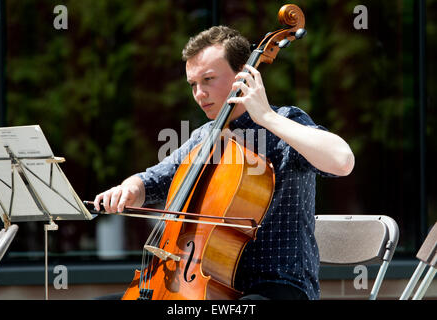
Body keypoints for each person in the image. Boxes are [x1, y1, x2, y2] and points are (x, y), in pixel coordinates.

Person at [94, 26, 355, 300]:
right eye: (193, 84)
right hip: (203, 285)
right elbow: (154, 179)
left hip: (278, 286)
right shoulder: (204, 138)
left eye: (208, 79)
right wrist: (130, 188)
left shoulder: (285, 123)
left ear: (243, 74)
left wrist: (266, 116)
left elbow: (342, 161)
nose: (199, 93)